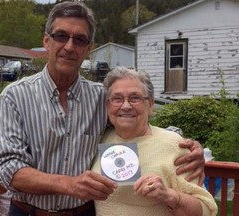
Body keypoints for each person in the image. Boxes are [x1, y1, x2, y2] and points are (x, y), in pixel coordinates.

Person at [0, 2, 205, 216]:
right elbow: (8, 168)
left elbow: (134, 123)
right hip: (28, 212)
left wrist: (181, 144)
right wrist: (70, 184)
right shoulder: (15, 96)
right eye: (61, 36)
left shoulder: (100, 98)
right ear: (47, 41)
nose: (69, 46)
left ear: (89, 48)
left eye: (80, 39)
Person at [92, 66, 218, 216]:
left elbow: (206, 210)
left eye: (135, 98)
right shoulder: (100, 138)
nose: (125, 106)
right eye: (117, 99)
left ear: (150, 105)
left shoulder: (174, 145)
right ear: (108, 105)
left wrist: (170, 196)